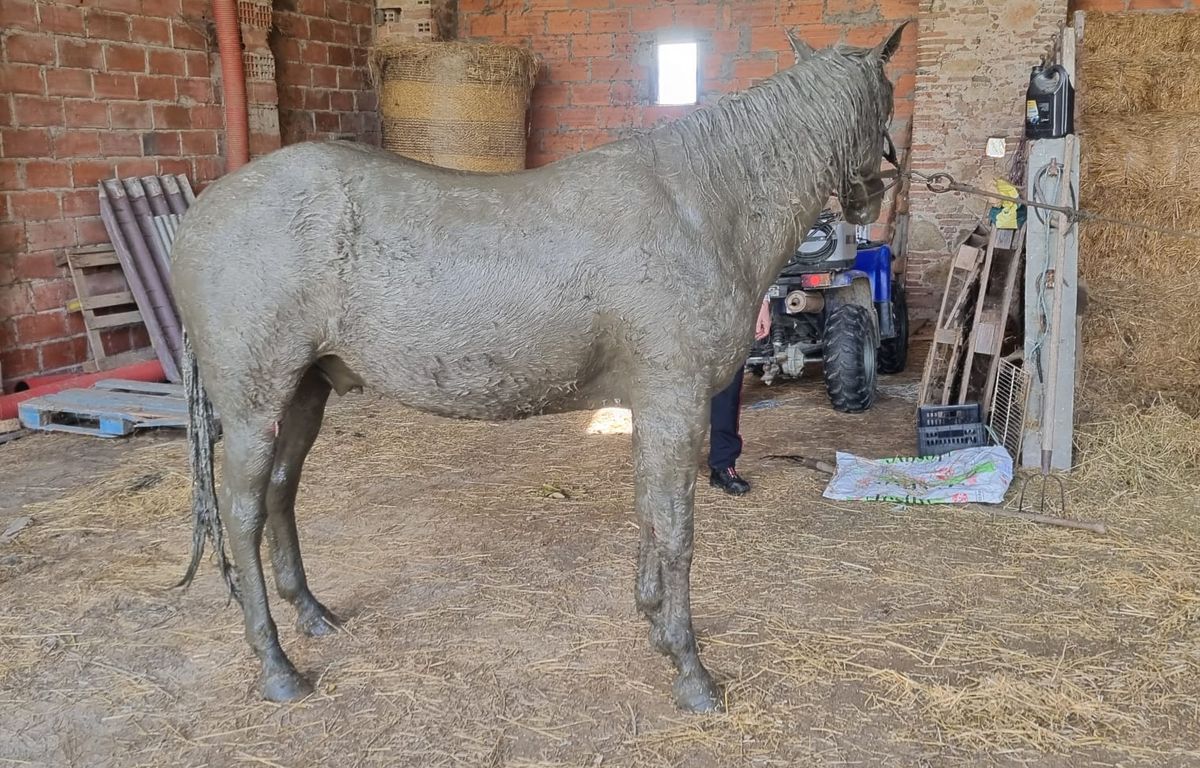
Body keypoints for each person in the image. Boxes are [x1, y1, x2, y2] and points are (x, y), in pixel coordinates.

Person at [708, 298, 772, 496]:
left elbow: (756, 274)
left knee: (727, 385)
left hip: (726, 305)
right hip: (677, 301)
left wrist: (762, 302)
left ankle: (722, 465)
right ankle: (669, 464)